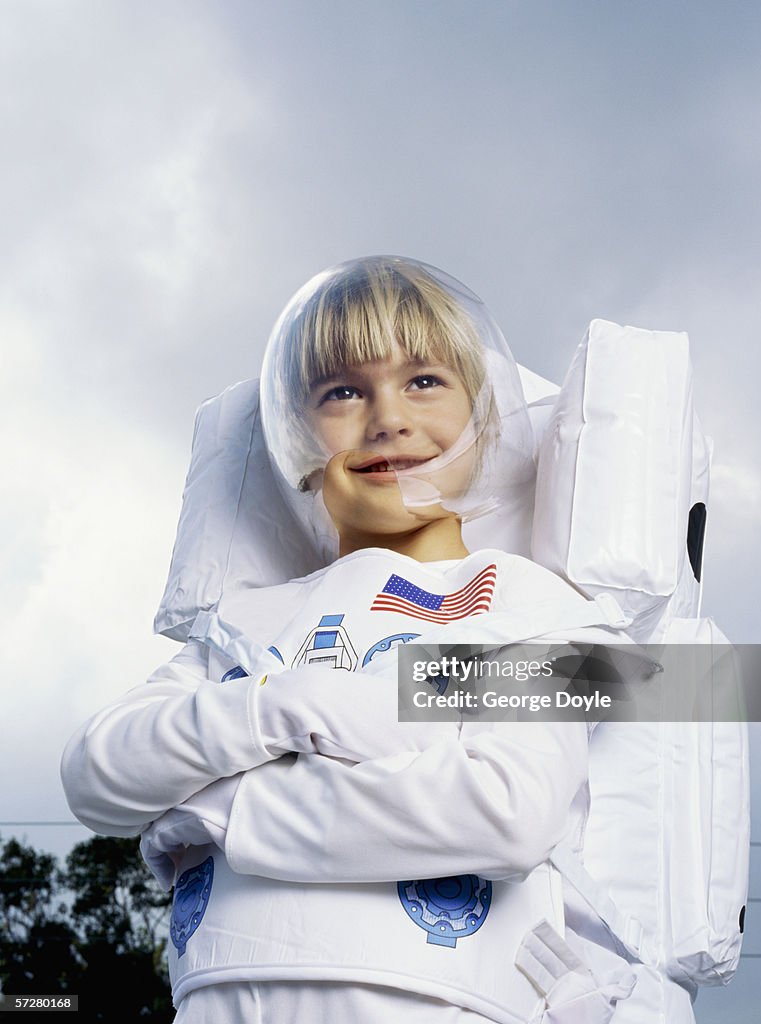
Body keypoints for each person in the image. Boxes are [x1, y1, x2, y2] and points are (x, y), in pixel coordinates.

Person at [61, 257, 667, 1023]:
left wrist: (216, 815)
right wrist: (290, 706)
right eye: (342, 390)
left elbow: (506, 810)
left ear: (483, 415)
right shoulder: (247, 624)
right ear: (297, 430)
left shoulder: (536, 606)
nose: (387, 417)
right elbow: (98, 772)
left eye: (425, 381)